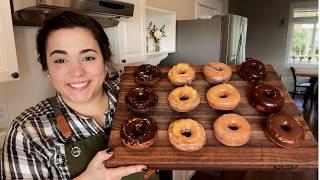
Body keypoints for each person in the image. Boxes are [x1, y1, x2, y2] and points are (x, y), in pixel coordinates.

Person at [1, 11, 149, 179]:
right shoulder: (27, 132)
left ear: (105, 61)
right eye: (60, 60)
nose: (77, 72)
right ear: (46, 69)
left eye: (88, 57)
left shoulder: (137, 96)